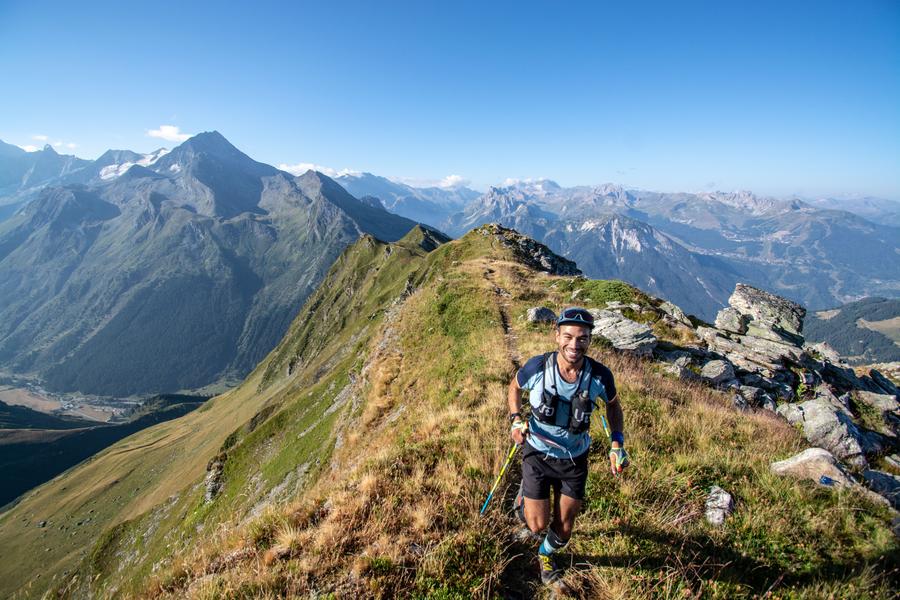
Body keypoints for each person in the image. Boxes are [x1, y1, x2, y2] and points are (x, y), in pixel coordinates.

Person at [507, 306, 629, 585]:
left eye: (582, 338)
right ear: (557, 336)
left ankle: (545, 555)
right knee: (537, 524)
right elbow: (514, 388)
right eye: (568, 336)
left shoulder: (600, 376)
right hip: (537, 452)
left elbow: (613, 406)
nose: (574, 344)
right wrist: (516, 420)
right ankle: (525, 494)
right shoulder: (538, 367)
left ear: (589, 340)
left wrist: (617, 443)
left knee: (564, 528)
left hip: (574, 459)